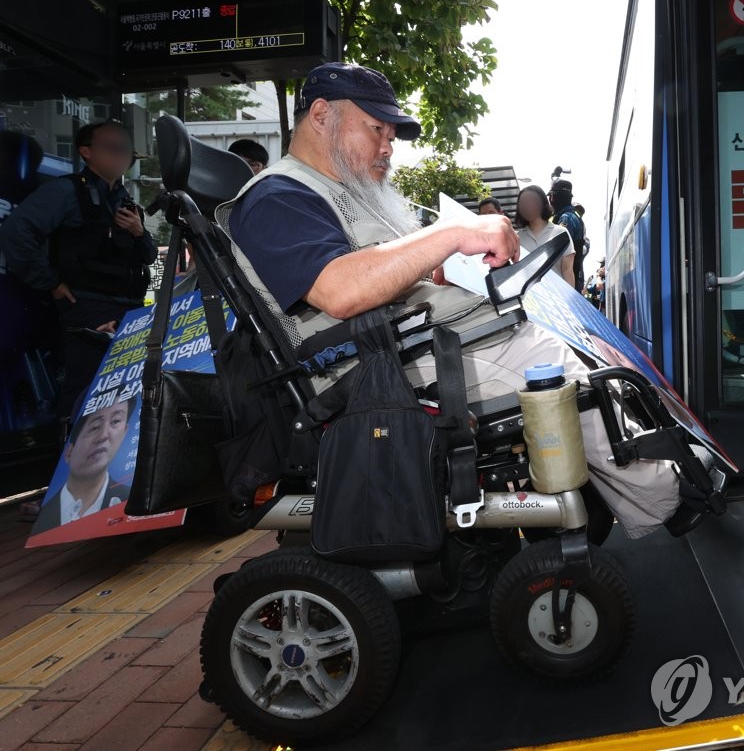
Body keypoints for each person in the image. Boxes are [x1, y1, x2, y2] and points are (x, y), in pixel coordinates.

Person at [217, 62, 698, 539]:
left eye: (391, 134)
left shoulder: (333, 191)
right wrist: (453, 233)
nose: (388, 146)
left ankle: (622, 488)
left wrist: (432, 270)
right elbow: (339, 290)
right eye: (376, 128)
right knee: (558, 373)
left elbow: (371, 274)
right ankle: (667, 499)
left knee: (558, 352)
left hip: (399, 347)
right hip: (368, 370)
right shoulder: (276, 196)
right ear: (321, 115)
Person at [0, 119, 156, 418]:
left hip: (128, 307)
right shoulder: (66, 191)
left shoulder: (124, 199)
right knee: (85, 387)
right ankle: (68, 460)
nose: (121, 155)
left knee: (120, 390)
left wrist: (138, 232)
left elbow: (148, 256)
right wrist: (50, 282)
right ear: (86, 152)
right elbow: (16, 234)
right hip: (87, 305)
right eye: (112, 147)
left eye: (125, 150)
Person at [35, 395, 133, 530]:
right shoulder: (46, 517)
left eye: (115, 421)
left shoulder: (131, 501)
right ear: (69, 450)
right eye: (95, 427)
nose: (104, 435)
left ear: (125, 432)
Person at [514, 185, 575, 284]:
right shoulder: (516, 237)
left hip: (556, 296)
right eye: (523, 202)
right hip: (526, 297)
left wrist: (571, 298)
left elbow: (567, 270)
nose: (527, 206)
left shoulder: (561, 232)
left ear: (543, 203)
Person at [548, 179, 586, 291]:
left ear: (554, 197)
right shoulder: (574, 216)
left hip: (566, 280)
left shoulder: (566, 218)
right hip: (573, 276)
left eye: (551, 196)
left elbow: (559, 252)